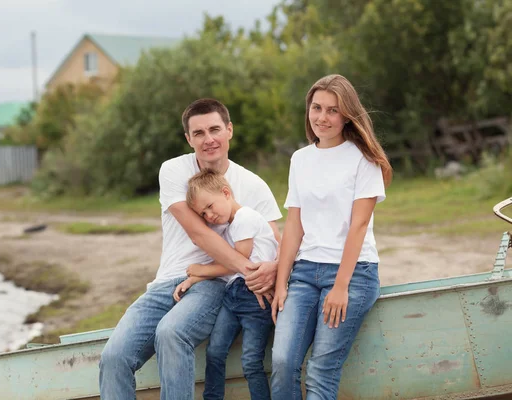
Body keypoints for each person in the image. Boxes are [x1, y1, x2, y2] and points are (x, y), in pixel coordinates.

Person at [99, 98, 282, 400]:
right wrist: (249, 269)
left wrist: (271, 270)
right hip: (165, 282)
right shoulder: (173, 170)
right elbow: (198, 233)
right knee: (114, 357)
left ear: (229, 130)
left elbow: (276, 242)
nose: (208, 139)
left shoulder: (254, 185)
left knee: (172, 333)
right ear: (188, 139)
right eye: (199, 133)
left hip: (213, 285)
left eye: (215, 129)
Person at [270, 74, 393, 400]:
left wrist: (340, 287)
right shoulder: (300, 159)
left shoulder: (363, 158)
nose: (322, 117)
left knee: (321, 370)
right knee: (282, 361)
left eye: (332, 111)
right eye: (316, 108)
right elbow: (294, 224)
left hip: (353, 276)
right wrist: (282, 282)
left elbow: (359, 225)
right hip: (305, 273)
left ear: (346, 114)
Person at [172, 169, 278, 400]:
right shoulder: (231, 226)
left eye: (210, 206)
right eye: (203, 213)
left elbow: (239, 263)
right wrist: (193, 279)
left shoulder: (245, 218)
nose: (209, 215)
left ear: (226, 192)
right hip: (233, 296)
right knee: (215, 351)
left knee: (251, 362)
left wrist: (200, 270)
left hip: (254, 298)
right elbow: (227, 264)